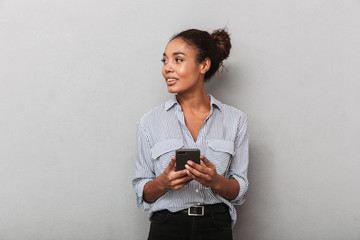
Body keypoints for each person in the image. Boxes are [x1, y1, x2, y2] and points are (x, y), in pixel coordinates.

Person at [132, 28, 249, 240]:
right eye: (165, 61)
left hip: (216, 226)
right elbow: (142, 189)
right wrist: (163, 183)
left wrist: (215, 181)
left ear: (203, 65)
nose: (167, 68)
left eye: (177, 60)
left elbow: (239, 188)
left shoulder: (235, 120)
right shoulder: (149, 122)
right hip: (167, 227)